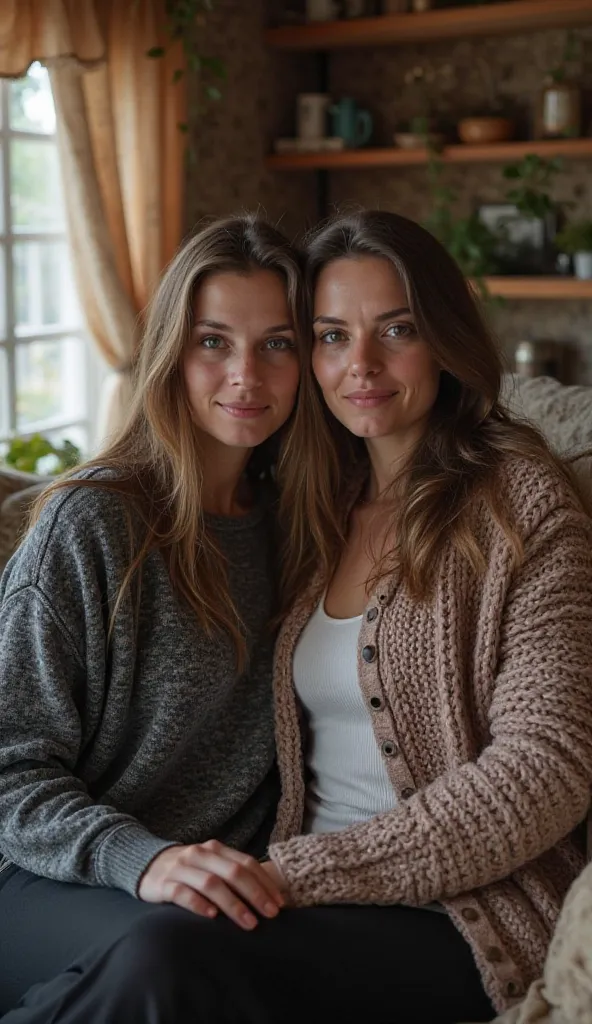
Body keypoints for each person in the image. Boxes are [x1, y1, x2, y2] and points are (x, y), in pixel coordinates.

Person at [2, 211, 591, 1024]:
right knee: (163, 953)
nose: (363, 365)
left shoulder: (512, 504)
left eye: (397, 329)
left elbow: (546, 766)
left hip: (445, 911)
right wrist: (177, 864)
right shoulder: (303, 504)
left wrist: (294, 871)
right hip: (189, 887)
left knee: (168, 954)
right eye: (330, 335)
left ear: (445, 337)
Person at [0, 214, 307, 1016]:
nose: (246, 375)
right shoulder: (93, 520)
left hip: (207, 892)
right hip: (47, 873)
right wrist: (144, 859)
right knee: (172, 952)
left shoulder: (306, 524)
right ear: (172, 348)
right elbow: (7, 769)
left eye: (277, 343)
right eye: (214, 342)